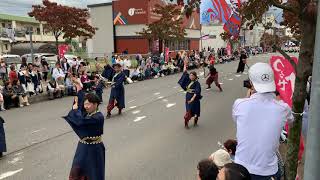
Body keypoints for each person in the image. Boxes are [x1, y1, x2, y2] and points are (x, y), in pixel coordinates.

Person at [232, 63, 293, 179]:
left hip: (240, 169)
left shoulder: (239, 104)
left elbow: (238, 121)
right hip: (268, 171)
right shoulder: (283, 108)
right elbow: (291, 120)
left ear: (251, 83)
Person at [63, 80, 105, 180]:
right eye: (85, 104)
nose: (86, 106)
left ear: (96, 104)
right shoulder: (87, 113)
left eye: (89, 104)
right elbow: (81, 105)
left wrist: (74, 110)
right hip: (82, 147)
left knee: (93, 173)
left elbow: (80, 121)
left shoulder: (98, 117)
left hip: (95, 149)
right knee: (77, 170)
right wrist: (79, 88)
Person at [178, 62, 202, 129]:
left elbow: (197, 92)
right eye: (190, 75)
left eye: (192, 76)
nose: (190, 76)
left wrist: (192, 99)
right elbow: (185, 72)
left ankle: (195, 122)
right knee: (188, 112)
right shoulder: (188, 79)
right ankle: (186, 123)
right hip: (188, 97)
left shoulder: (197, 83)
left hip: (195, 99)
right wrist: (185, 64)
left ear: (195, 76)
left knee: (196, 111)